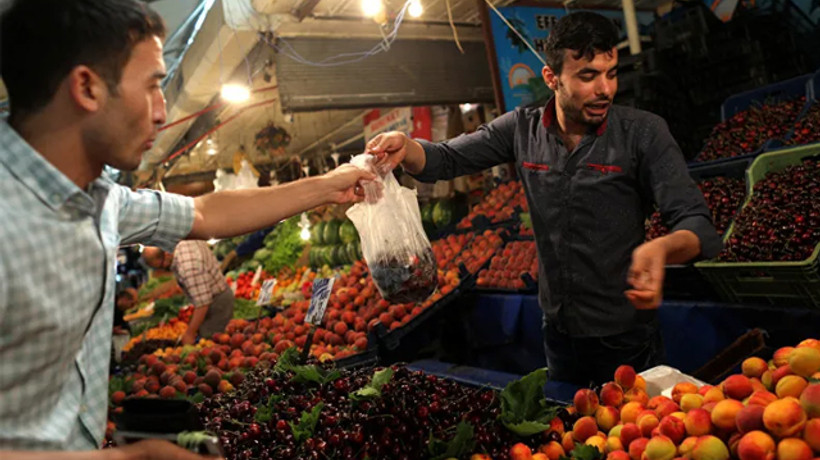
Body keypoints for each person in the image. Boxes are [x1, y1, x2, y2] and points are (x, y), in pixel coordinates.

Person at [0, 0, 374, 456]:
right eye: (153, 85)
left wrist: (327, 186)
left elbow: (204, 214)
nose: (161, 112)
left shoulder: (101, 201)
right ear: (87, 87)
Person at [367, 12, 723, 385]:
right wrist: (405, 147)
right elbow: (447, 158)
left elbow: (697, 224)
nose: (605, 89)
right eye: (588, 76)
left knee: (627, 436)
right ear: (552, 78)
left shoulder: (643, 134)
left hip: (625, 338)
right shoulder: (521, 129)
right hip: (557, 334)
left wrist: (662, 249)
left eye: (611, 73)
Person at [142, 241, 234, 345]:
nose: (163, 269)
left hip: (217, 304)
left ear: (166, 253)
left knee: (211, 343)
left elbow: (203, 303)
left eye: (162, 265)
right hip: (216, 295)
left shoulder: (188, 267)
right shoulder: (182, 244)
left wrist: (190, 333)